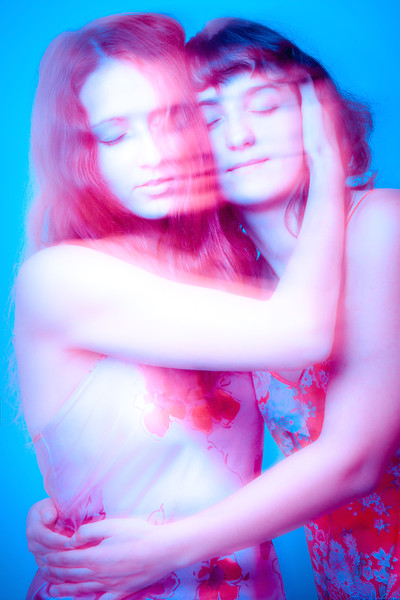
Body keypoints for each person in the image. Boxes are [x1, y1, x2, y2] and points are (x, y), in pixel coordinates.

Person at [27, 18, 400, 600]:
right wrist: (71, 502)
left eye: (266, 105)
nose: (241, 136)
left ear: (318, 111)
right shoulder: (244, 285)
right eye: (210, 117)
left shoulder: (380, 222)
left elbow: (354, 456)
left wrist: (328, 163)